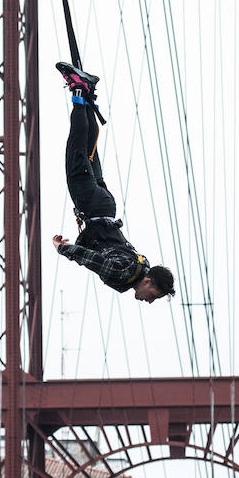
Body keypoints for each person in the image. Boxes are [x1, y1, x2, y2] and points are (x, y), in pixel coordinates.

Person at [52, 62, 175, 303]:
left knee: (88, 151)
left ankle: (88, 96)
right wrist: (61, 248)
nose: (149, 301)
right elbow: (90, 259)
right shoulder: (123, 273)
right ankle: (79, 89)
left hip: (107, 207)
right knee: (77, 149)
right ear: (148, 282)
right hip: (90, 204)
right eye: (153, 295)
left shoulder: (141, 264)